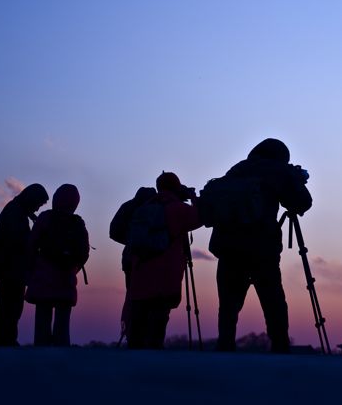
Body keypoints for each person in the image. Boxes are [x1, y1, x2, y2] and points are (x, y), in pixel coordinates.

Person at [206, 138, 312, 353]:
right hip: (262, 248)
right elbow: (302, 202)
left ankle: (225, 345)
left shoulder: (236, 170)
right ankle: (280, 345)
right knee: (273, 300)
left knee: (228, 304)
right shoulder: (277, 171)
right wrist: (296, 180)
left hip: (228, 247)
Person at [126, 172, 201, 349]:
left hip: (140, 275)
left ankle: (132, 366)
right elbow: (201, 217)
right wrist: (192, 197)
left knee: (138, 327)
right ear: (176, 187)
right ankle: (153, 368)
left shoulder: (143, 208)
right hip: (165, 278)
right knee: (157, 327)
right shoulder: (177, 209)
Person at [25, 184, 90, 347]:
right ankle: (62, 364)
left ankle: (39, 363)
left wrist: (33, 268)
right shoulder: (78, 223)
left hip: (43, 278)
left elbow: (31, 246)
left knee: (42, 324)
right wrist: (72, 267)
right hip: (66, 280)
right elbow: (84, 252)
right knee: (62, 327)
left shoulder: (45, 218)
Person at [0, 183, 49, 346]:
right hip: (11, 269)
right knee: (10, 307)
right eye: (38, 204)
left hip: (11, 269)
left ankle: (5, 340)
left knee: (10, 307)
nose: (37, 209)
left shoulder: (16, 210)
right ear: (32, 199)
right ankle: (5, 341)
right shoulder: (15, 213)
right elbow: (19, 241)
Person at [110, 186, 158, 342]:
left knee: (132, 297)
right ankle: (145, 337)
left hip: (129, 259)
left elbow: (114, 232)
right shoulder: (154, 209)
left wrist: (130, 242)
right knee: (150, 300)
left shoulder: (128, 206)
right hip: (150, 260)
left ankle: (132, 335)